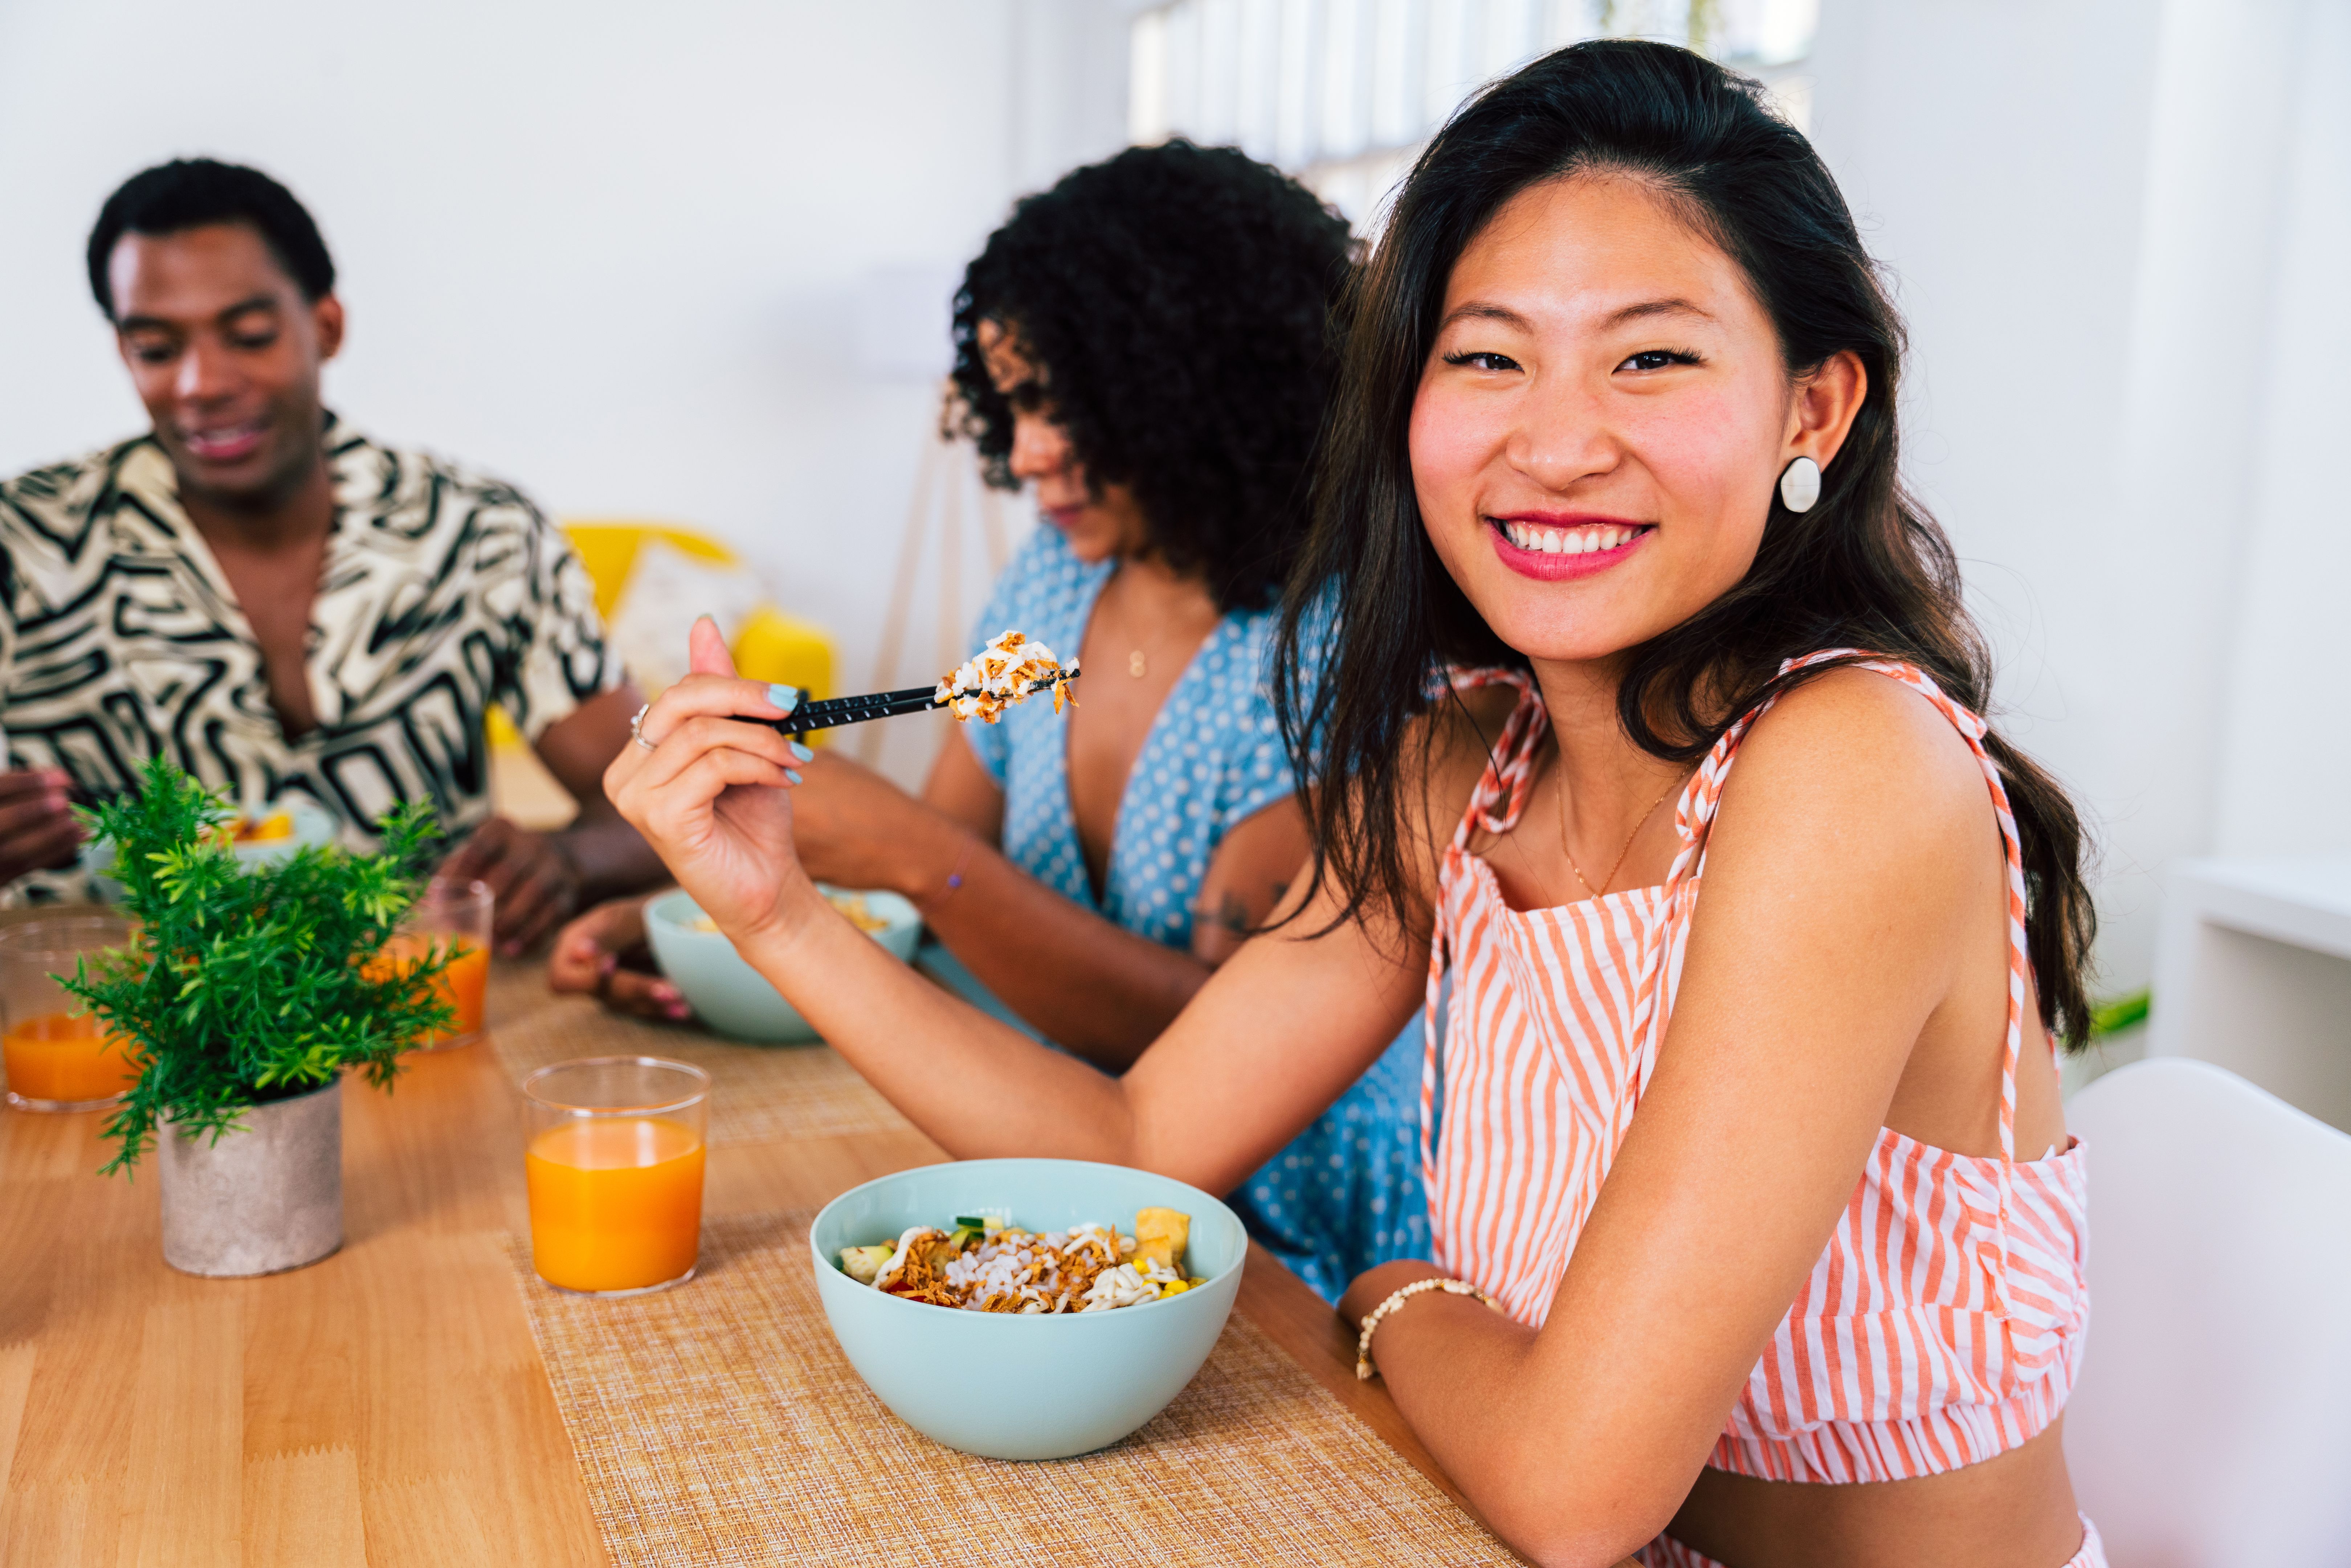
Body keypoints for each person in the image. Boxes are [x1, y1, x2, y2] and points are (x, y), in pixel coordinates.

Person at [608, 41, 2106, 1567]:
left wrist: (1394, 1297)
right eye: (1485, 357)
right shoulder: (1464, 759)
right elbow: (1136, 1141)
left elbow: (1575, 1489)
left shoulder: (1849, 763)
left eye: (1649, 357)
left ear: (1810, 409)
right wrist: (774, 909)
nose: (1556, 441)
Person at [552, 141, 1430, 1301]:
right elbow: (919, 906)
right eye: (1009, 404)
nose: (1025, 456)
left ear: (1198, 385)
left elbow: (1191, 1043)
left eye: (1066, 405)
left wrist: (915, 858)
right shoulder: (1048, 594)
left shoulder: (1334, 660)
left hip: (1285, 1230)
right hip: (1052, 1145)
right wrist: (688, 918)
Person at [0, 159, 665, 952]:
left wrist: (567, 859)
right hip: (108, 1031)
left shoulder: (480, 532)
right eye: (154, 347)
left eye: (249, 336)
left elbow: (654, 798)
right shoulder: (25, 544)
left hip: (413, 1020)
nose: (200, 383)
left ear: (326, 326)